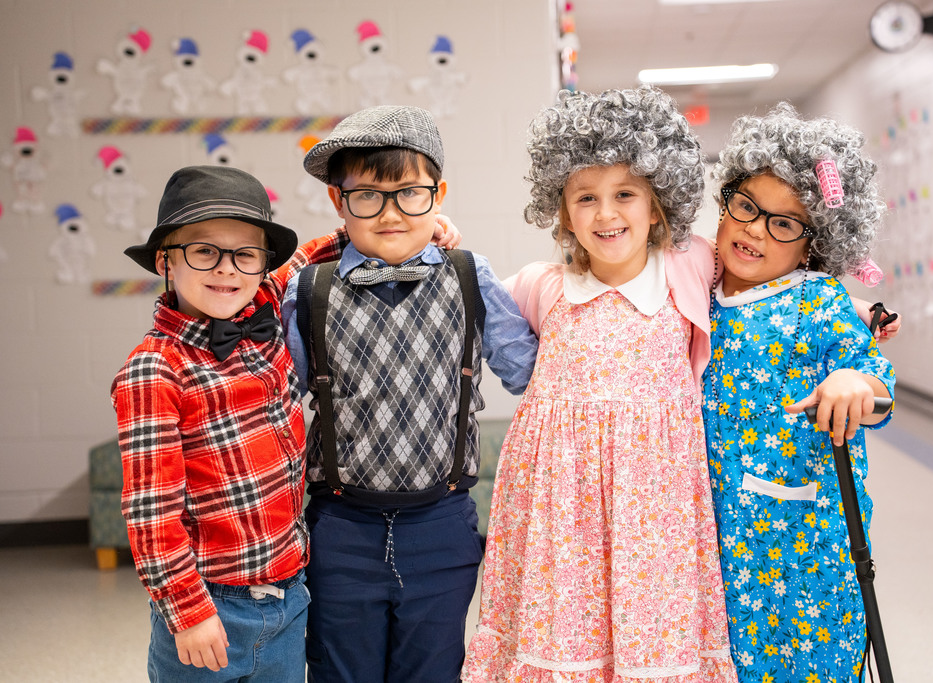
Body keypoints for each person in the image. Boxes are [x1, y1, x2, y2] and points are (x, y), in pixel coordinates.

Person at [462, 87, 737, 682]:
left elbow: (771, 278)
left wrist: (862, 313)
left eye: (625, 194)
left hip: (653, 503)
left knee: (651, 629)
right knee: (563, 628)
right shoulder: (542, 285)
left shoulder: (689, 266)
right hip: (560, 505)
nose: (606, 214)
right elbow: (459, 298)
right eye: (585, 198)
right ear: (562, 212)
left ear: (658, 205)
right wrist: (434, 237)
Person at [279, 104, 538, 682]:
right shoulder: (311, 286)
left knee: (434, 669)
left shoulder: (471, 275)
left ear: (438, 193)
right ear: (338, 202)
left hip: (441, 525)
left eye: (410, 194)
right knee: (341, 671)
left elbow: (530, 374)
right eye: (368, 196)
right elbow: (273, 396)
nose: (391, 213)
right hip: (339, 528)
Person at [702, 103, 896, 683]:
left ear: (810, 244)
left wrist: (854, 381)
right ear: (727, 199)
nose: (756, 229)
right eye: (746, 207)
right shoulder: (695, 293)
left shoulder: (819, 302)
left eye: (784, 223)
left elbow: (877, 385)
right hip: (707, 538)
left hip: (801, 550)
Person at [111, 165, 309, 682]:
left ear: (262, 266)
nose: (227, 270)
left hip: (289, 597)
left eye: (245, 254)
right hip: (210, 606)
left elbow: (308, 256)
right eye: (204, 251)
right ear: (165, 262)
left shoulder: (259, 306)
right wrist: (188, 612)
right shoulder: (154, 370)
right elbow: (152, 515)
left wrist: (419, 227)